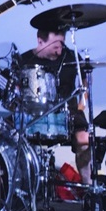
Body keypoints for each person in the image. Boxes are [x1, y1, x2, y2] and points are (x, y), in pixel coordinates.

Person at [20, 29, 91, 184]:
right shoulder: (24, 60)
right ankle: (24, 186)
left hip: (69, 111)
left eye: (61, 45)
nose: (59, 51)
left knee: (84, 140)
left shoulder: (71, 57)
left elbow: (85, 81)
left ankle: (89, 187)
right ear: (40, 41)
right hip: (35, 114)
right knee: (11, 137)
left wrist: (82, 103)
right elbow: (13, 90)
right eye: (55, 46)